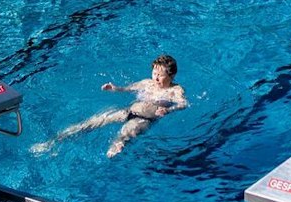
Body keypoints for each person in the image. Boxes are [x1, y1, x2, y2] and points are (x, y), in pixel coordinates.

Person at [32, 55, 188, 158]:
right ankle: (52, 142)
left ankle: (115, 150)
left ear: (171, 75)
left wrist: (169, 109)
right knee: (88, 123)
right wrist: (115, 88)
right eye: (154, 73)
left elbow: (183, 104)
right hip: (127, 111)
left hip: (144, 119)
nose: (156, 78)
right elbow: (128, 88)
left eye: (160, 75)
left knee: (124, 135)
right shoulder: (147, 82)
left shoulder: (175, 90)